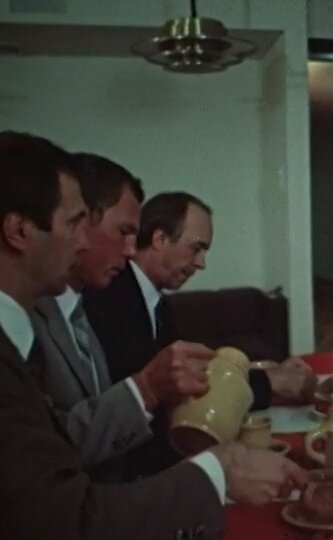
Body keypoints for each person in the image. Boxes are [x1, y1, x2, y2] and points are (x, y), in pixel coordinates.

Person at [0, 131, 307, 540]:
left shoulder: (72, 312)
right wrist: (218, 471)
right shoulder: (92, 303)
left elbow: (57, 447)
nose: (83, 241)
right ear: (19, 231)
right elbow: (61, 517)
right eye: (75, 223)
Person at [84, 191, 315, 476]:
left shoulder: (155, 301)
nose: (201, 263)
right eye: (196, 248)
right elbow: (169, 391)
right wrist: (269, 383)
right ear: (159, 239)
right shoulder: (115, 294)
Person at [31, 153, 219, 477]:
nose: (132, 250)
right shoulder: (43, 312)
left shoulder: (79, 310)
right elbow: (43, 454)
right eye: (123, 232)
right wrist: (147, 388)